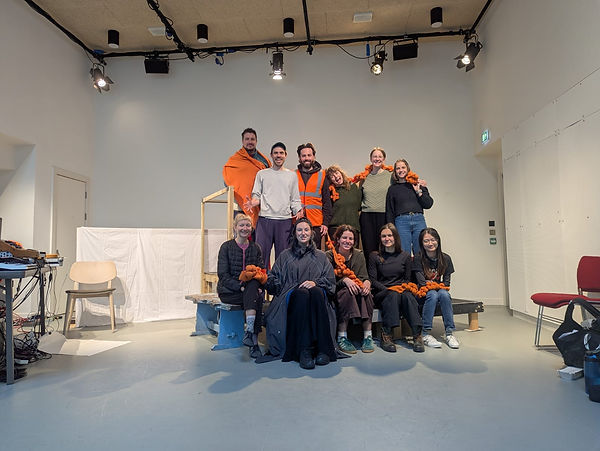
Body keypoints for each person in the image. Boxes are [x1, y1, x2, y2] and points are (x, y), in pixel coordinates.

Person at [263, 218, 337, 369]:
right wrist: (268, 282)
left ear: (311, 233)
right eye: (299, 230)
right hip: (292, 295)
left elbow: (330, 280)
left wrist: (316, 282)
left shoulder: (321, 256)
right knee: (302, 295)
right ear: (295, 233)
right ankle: (304, 350)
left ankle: (323, 349)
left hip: (316, 295)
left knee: (315, 292)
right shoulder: (285, 255)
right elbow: (273, 277)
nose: (303, 233)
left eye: (306, 230)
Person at [367, 223, 425, 353]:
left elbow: (407, 279)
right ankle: (386, 335)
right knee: (392, 295)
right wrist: (387, 290)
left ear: (395, 237)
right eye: (383, 236)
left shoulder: (405, 256)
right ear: (380, 238)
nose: (387, 238)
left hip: (401, 290)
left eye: (390, 235)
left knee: (408, 296)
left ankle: (417, 335)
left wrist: (401, 289)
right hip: (382, 292)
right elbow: (373, 280)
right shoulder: (374, 256)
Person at [216, 214, 266, 359]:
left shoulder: (256, 247)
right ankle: (253, 342)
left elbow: (261, 271)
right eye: (241, 225)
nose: (245, 228)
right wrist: (240, 287)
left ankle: (250, 334)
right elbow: (223, 275)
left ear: (251, 228)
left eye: (248, 225)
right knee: (255, 297)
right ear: (235, 227)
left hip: (249, 291)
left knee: (254, 289)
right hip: (229, 292)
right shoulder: (226, 247)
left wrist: (259, 285)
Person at [246, 142, 303, 268]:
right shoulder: (262, 174)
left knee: (283, 258)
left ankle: (280, 281)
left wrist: (298, 210)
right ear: (271, 155)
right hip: (265, 220)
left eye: (281, 153)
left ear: (285, 155)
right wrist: (254, 202)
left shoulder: (291, 175)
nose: (278, 155)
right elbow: (256, 195)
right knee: (261, 256)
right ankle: (261, 280)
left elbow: (295, 198)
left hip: (284, 221)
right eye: (276, 153)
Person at [326, 225, 374, 354]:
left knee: (367, 294)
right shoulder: (330, 255)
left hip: (357, 289)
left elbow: (364, 276)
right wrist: (344, 280)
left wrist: (367, 283)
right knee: (347, 292)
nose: (347, 241)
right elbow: (328, 281)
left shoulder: (358, 255)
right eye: (344, 238)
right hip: (337, 291)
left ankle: (368, 336)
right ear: (338, 239)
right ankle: (342, 337)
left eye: (351, 239)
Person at [413, 228, 459, 349]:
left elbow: (447, 283)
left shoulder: (446, 258)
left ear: (438, 240)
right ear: (422, 243)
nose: (430, 243)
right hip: (422, 293)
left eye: (433, 240)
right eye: (426, 241)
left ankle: (449, 333)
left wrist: (435, 285)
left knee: (444, 294)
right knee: (433, 294)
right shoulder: (418, 258)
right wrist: (435, 286)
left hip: (438, 291)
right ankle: (425, 333)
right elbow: (422, 283)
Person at [223, 128, 271, 227]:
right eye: (247, 139)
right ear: (242, 141)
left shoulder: (264, 160)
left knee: (258, 236)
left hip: (260, 207)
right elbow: (227, 180)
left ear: (256, 141)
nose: (250, 142)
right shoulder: (235, 160)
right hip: (240, 207)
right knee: (241, 234)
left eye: (252, 139)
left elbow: (270, 181)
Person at [385, 159, 433, 255]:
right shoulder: (392, 189)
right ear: (395, 171)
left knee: (420, 250)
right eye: (398, 168)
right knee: (404, 251)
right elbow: (389, 210)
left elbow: (428, 204)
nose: (401, 170)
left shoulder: (417, 184)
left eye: (403, 167)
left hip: (418, 220)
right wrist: (391, 228)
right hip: (401, 222)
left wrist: (418, 191)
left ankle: (419, 266)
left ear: (407, 169)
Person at [354, 147, 394, 258]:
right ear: (371, 159)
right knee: (369, 248)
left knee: (384, 246)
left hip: (384, 215)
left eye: (380, 156)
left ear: (384, 159)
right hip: (367, 217)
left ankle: (384, 269)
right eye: (375, 156)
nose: (377, 159)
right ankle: (370, 269)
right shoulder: (364, 177)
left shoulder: (390, 176)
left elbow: (404, 178)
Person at [296, 143, 332, 249]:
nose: (307, 158)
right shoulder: (293, 175)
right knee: (297, 253)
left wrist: (325, 223)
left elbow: (327, 201)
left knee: (315, 253)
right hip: (297, 223)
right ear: (299, 158)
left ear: (314, 156)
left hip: (316, 224)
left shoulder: (322, 175)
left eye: (309, 155)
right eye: (303, 156)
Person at [325, 165, 361, 241]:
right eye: (332, 176)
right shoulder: (330, 192)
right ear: (330, 180)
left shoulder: (353, 187)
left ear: (341, 173)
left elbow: (359, 206)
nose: (336, 176)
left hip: (353, 228)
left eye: (336, 173)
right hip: (335, 229)